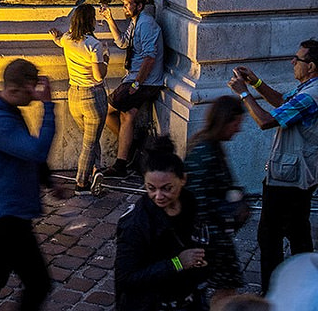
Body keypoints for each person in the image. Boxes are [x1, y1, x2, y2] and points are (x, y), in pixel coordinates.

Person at [0, 58, 62, 311]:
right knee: (35, 282)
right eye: (30, 90)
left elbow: (22, 152)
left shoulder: (9, 112)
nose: (34, 97)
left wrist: (48, 181)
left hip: (6, 212)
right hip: (4, 216)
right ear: (14, 89)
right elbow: (36, 150)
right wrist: (49, 108)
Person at [229, 37, 318, 281]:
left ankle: (271, 292)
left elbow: (266, 121)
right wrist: (256, 81)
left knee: (269, 235)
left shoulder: (312, 95)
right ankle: (307, 284)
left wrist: (243, 93)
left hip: (289, 177)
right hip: (299, 174)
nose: (292, 62)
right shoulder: (306, 90)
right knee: (297, 230)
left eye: (298, 59)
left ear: (311, 66)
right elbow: (282, 102)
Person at [114, 137, 215, 311]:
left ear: (183, 179)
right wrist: (177, 263)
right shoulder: (137, 224)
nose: (159, 196)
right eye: (151, 188)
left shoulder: (189, 202)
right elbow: (126, 278)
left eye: (167, 188)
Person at [183, 95, 250, 300]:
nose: (238, 129)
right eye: (236, 123)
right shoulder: (205, 151)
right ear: (224, 121)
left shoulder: (211, 145)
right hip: (212, 237)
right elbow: (198, 202)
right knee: (226, 289)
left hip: (215, 234)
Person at [102, 0, 167, 179]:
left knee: (105, 110)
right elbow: (123, 43)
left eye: (127, 4)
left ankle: (133, 150)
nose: (125, 7)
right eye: (123, 4)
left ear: (139, 6)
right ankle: (127, 157)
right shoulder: (135, 22)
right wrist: (109, 19)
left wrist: (136, 85)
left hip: (143, 81)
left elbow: (149, 58)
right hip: (134, 78)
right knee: (128, 115)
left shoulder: (146, 24)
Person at [48, 3, 111, 190]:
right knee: (89, 143)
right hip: (93, 95)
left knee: (90, 137)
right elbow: (99, 75)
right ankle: (81, 183)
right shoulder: (94, 45)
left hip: (73, 95)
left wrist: (56, 37)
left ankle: (95, 170)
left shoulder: (67, 39)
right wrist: (106, 58)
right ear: (90, 21)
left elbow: (60, 41)